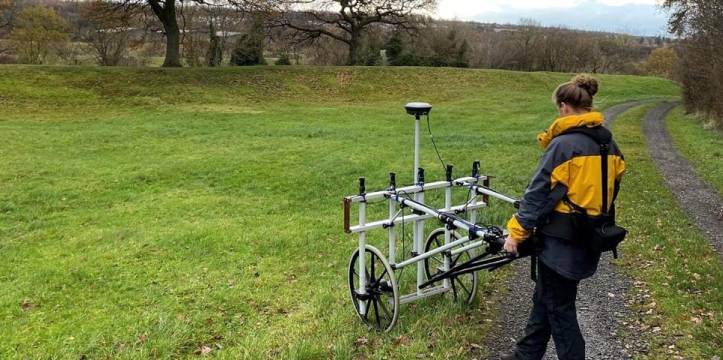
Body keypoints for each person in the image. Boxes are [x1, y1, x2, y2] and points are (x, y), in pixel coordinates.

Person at [500, 74, 626, 360]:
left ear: (565, 107)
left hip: (560, 241)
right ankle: (525, 355)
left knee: (560, 310)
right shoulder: (608, 143)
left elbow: (537, 193)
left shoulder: (564, 145)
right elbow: (612, 188)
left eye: (559, 108)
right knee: (546, 299)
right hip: (589, 236)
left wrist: (516, 234)